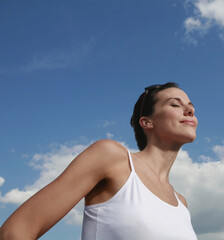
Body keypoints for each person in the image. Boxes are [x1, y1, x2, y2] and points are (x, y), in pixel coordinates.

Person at [0, 82, 198, 240]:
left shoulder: (181, 202)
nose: (189, 111)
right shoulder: (112, 157)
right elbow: (14, 233)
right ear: (147, 121)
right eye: (175, 104)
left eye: (191, 107)